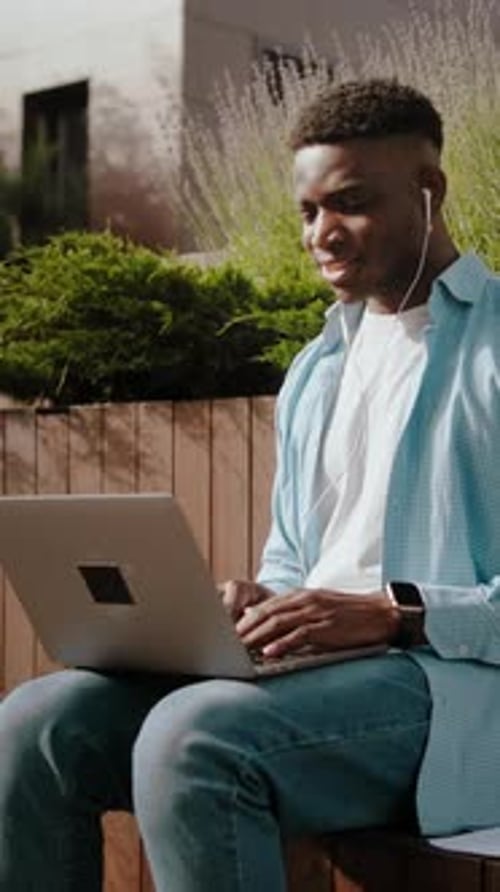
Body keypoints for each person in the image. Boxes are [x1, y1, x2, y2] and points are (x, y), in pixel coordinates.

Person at [1, 77, 500, 892]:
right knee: (35, 724)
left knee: (195, 739)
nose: (322, 234)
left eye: (350, 203)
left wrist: (395, 612)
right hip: (311, 685)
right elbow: (297, 558)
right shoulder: (317, 368)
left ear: (430, 189)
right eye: (308, 211)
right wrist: (256, 604)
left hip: (452, 694)